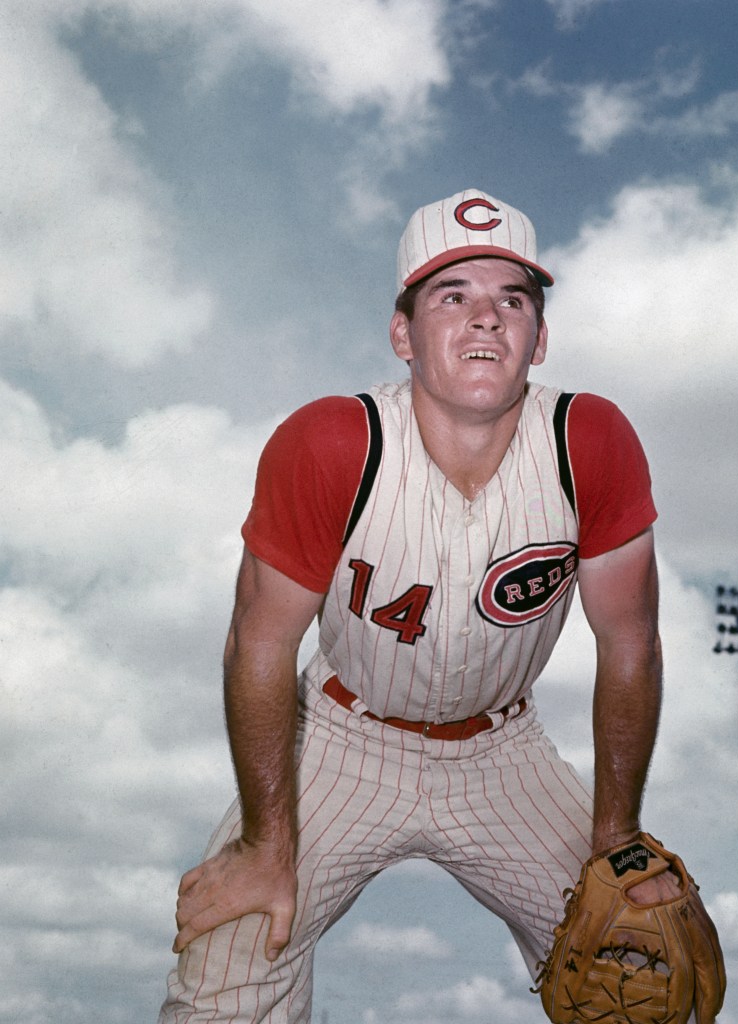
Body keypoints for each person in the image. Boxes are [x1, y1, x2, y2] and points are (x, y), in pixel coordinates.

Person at [160, 188, 681, 1023]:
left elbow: (631, 646)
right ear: (402, 334)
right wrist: (266, 844)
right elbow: (256, 651)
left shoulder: (590, 442)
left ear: (539, 338)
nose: (486, 319)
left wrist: (615, 835)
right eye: (453, 296)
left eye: (512, 299)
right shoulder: (334, 442)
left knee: (642, 966)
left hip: (501, 755)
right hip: (336, 740)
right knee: (225, 968)